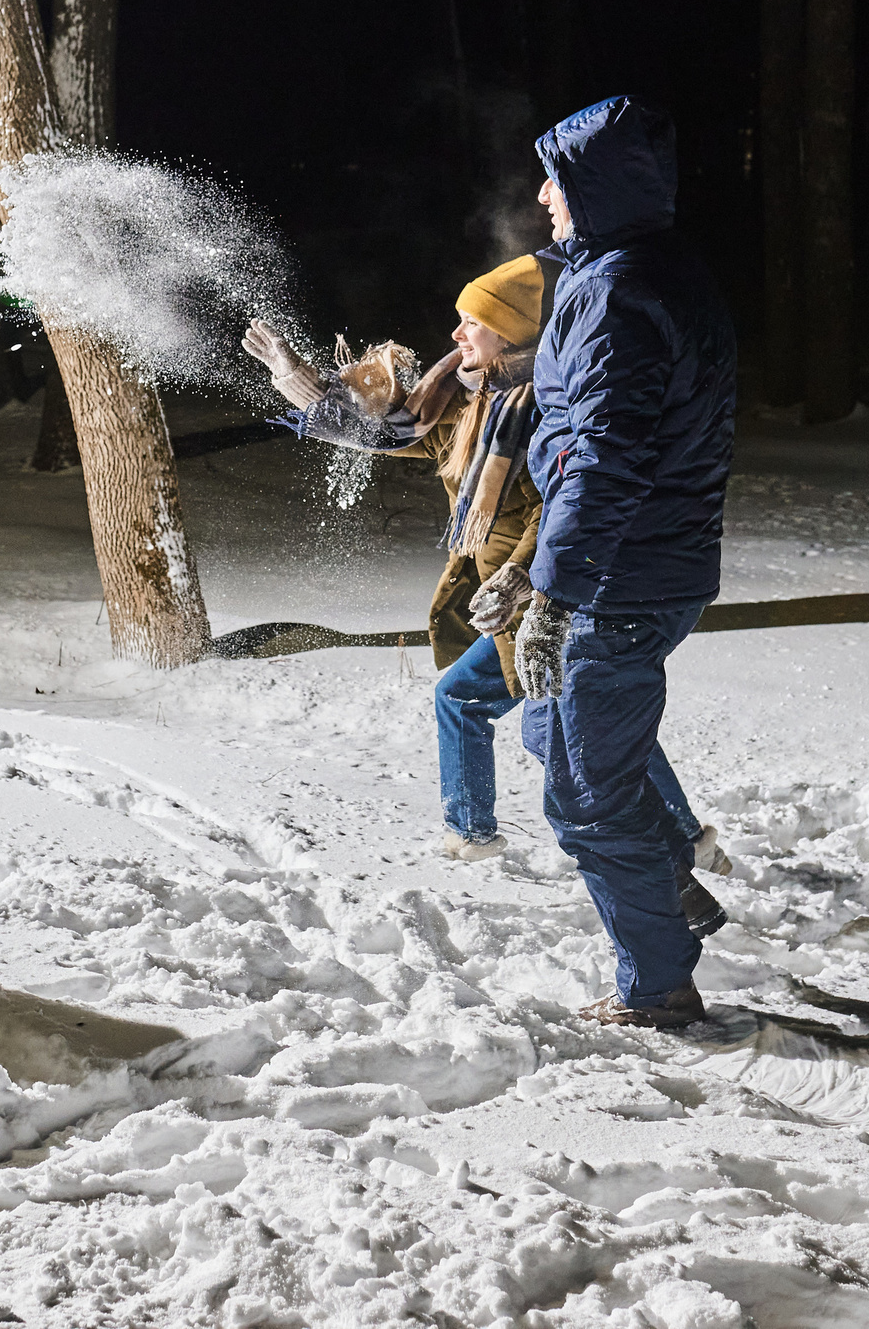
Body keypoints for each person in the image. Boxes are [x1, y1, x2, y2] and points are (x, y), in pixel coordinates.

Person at [243, 260, 728, 871]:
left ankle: (664, 853)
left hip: (549, 599)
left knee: (577, 728)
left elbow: (563, 511)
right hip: (505, 602)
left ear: (509, 331)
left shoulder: (546, 408)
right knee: (549, 716)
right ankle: (481, 833)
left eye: (472, 321)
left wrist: (521, 574)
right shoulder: (469, 401)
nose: (455, 335)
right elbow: (384, 434)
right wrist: (297, 378)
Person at [509, 96, 738, 1031]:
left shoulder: (620, 289)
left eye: (556, 181)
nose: (541, 196)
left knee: (588, 800)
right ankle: (671, 865)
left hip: (619, 578)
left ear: (594, 188)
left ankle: (658, 986)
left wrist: (554, 591)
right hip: (634, 566)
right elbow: (579, 427)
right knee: (543, 731)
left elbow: (607, 457)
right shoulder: (627, 273)